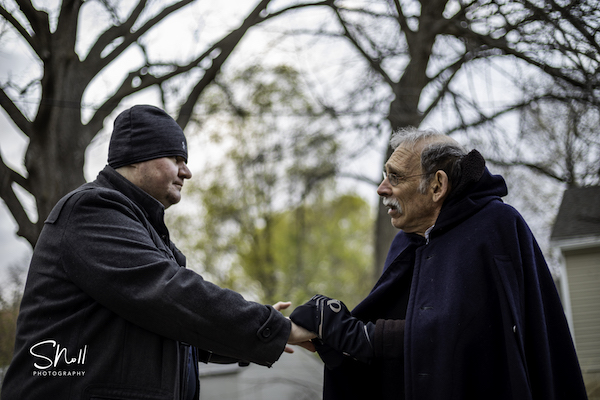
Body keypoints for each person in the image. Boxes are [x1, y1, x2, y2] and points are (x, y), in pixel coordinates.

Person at [1, 105, 314, 400]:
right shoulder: (92, 210)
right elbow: (168, 294)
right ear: (136, 158)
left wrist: (250, 339)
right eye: (176, 158)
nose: (186, 171)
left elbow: (165, 322)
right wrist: (270, 327)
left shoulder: (140, 227)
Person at [290, 127, 588, 400]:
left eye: (395, 177)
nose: (382, 189)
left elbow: (475, 338)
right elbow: (394, 347)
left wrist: (352, 333)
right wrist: (327, 333)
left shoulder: (497, 227)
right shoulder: (405, 242)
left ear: (437, 185)